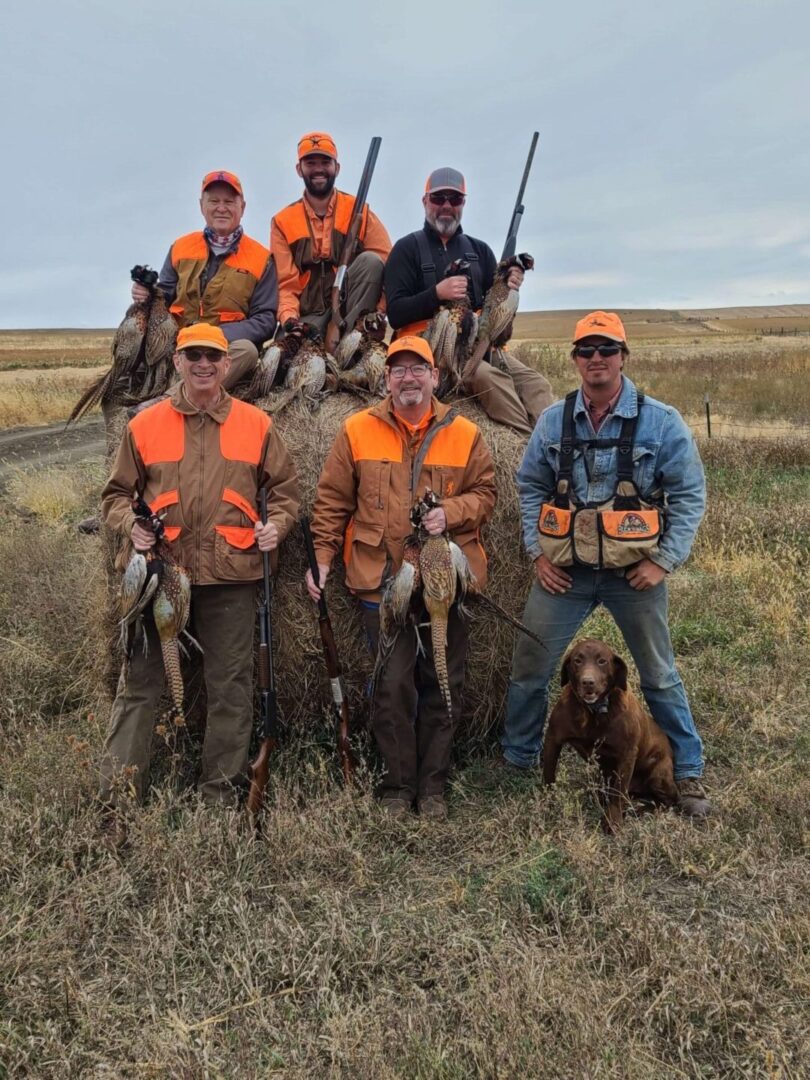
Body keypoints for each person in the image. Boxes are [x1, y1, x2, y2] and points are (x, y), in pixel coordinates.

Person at [500, 311, 712, 818]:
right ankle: (519, 759)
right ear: (575, 360)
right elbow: (529, 485)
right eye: (587, 351)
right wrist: (536, 552)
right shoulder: (554, 419)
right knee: (530, 666)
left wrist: (662, 561)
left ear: (623, 356)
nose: (597, 359)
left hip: (631, 572)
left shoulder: (661, 422)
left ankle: (686, 770)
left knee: (658, 673)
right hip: (566, 573)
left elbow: (689, 494)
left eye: (607, 349)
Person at [98, 323, 299, 820]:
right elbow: (115, 497)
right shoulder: (144, 426)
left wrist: (277, 525)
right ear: (178, 363)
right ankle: (116, 802)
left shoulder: (257, 424)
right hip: (160, 575)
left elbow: (288, 493)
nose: (203, 364)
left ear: (227, 365)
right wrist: (132, 527)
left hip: (230, 579)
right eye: (193, 356)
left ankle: (219, 800)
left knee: (230, 687)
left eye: (212, 356)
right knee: (140, 685)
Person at [306, 335, 496, 820]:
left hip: (443, 582)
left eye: (418, 369)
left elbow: (486, 495)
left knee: (442, 682)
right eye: (398, 370)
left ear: (435, 376)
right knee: (392, 687)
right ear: (385, 378)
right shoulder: (356, 430)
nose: (408, 378)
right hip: (382, 579)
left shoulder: (466, 433)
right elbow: (330, 503)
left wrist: (450, 513)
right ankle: (397, 785)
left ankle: (432, 787)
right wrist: (323, 559)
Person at [383, 167, 553, 436]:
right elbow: (396, 313)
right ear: (425, 201)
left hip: (479, 344)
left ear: (464, 203)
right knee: (490, 379)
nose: (447, 206)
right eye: (439, 199)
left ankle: (553, 444)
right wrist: (436, 294)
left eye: (455, 199)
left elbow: (497, 326)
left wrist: (508, 293)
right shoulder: (406, 249)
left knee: (535, 383)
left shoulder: (480, 251)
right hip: (434, 349)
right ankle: (525, 447)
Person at [131, 170, 277, 389]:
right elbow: (164, 297)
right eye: (214, 201)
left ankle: (171, 398)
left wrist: (215, 335)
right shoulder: (180, 247)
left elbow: (265, 320)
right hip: (180, 341)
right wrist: (146, 293)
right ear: (201, 206)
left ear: (242, 207)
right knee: (133, 335)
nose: (221, 208)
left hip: (224, 346)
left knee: (247, 351)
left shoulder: (261, 258)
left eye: (229, 201)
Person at [270, 132, 391, 338]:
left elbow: (388, 264)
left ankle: (354, 337)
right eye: (310, 163)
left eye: (325, 162)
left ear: (337, 168)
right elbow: (285, 283)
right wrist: (290, 319)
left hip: (352, 311)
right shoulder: (282, 221)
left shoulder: (360, 211)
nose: (318, 169)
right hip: (308, 315)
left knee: (371, 261)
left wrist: (379, 312)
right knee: (283, 356)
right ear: (299, 169)